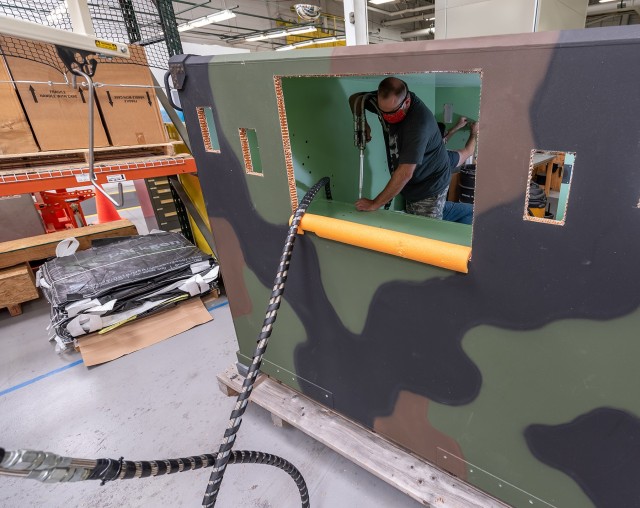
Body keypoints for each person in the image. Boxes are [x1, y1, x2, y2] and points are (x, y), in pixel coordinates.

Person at [349, 77, 477, 220]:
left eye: (392, 112)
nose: (388, 117)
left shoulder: (418, 125)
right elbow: (356, 100)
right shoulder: (392, 102)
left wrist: (374, 204)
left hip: (430, 186)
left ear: (407, 102)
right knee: (426, 210)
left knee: (424, 229)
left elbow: (404, 174)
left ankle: (467, 211)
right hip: (425, 171)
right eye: (383, 112)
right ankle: (451, 210)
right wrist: (362, 122)